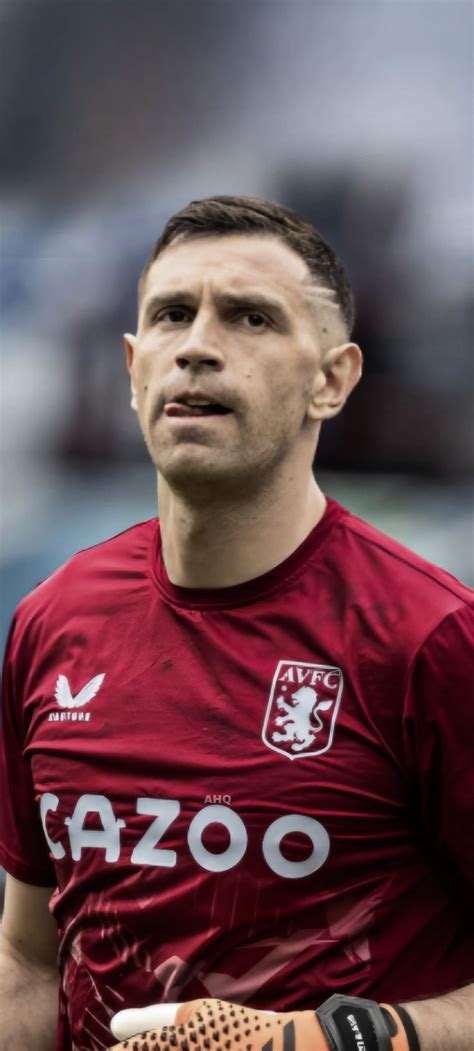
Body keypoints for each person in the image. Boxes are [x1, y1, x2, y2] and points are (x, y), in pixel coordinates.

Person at [0, 196, 472, 1051]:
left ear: (332, 379)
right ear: (134, 367)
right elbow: (28, 962)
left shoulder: (430, 637)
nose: (198, 345)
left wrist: (316, 1040)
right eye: (172, 315)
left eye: (251, 317)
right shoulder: (53, 618)